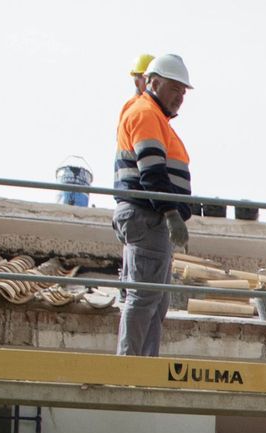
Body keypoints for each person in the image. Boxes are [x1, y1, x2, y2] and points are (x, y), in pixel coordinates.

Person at [113, 53, 193, 357]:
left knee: (155, 301)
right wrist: (172, 214)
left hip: (149, 217)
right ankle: (130, 367)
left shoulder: (153, 116)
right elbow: (152, 173)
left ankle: (144, 366)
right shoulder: (146, 114)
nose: (180, 97)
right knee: (145, 298)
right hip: (149, 216)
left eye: (183, 92)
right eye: (175, 89)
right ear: (154, 83)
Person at [120, 54, 154, 118]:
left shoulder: (151, 105)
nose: (152, 83)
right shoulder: (137, 108)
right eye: (147, 78)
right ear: (136, 81)